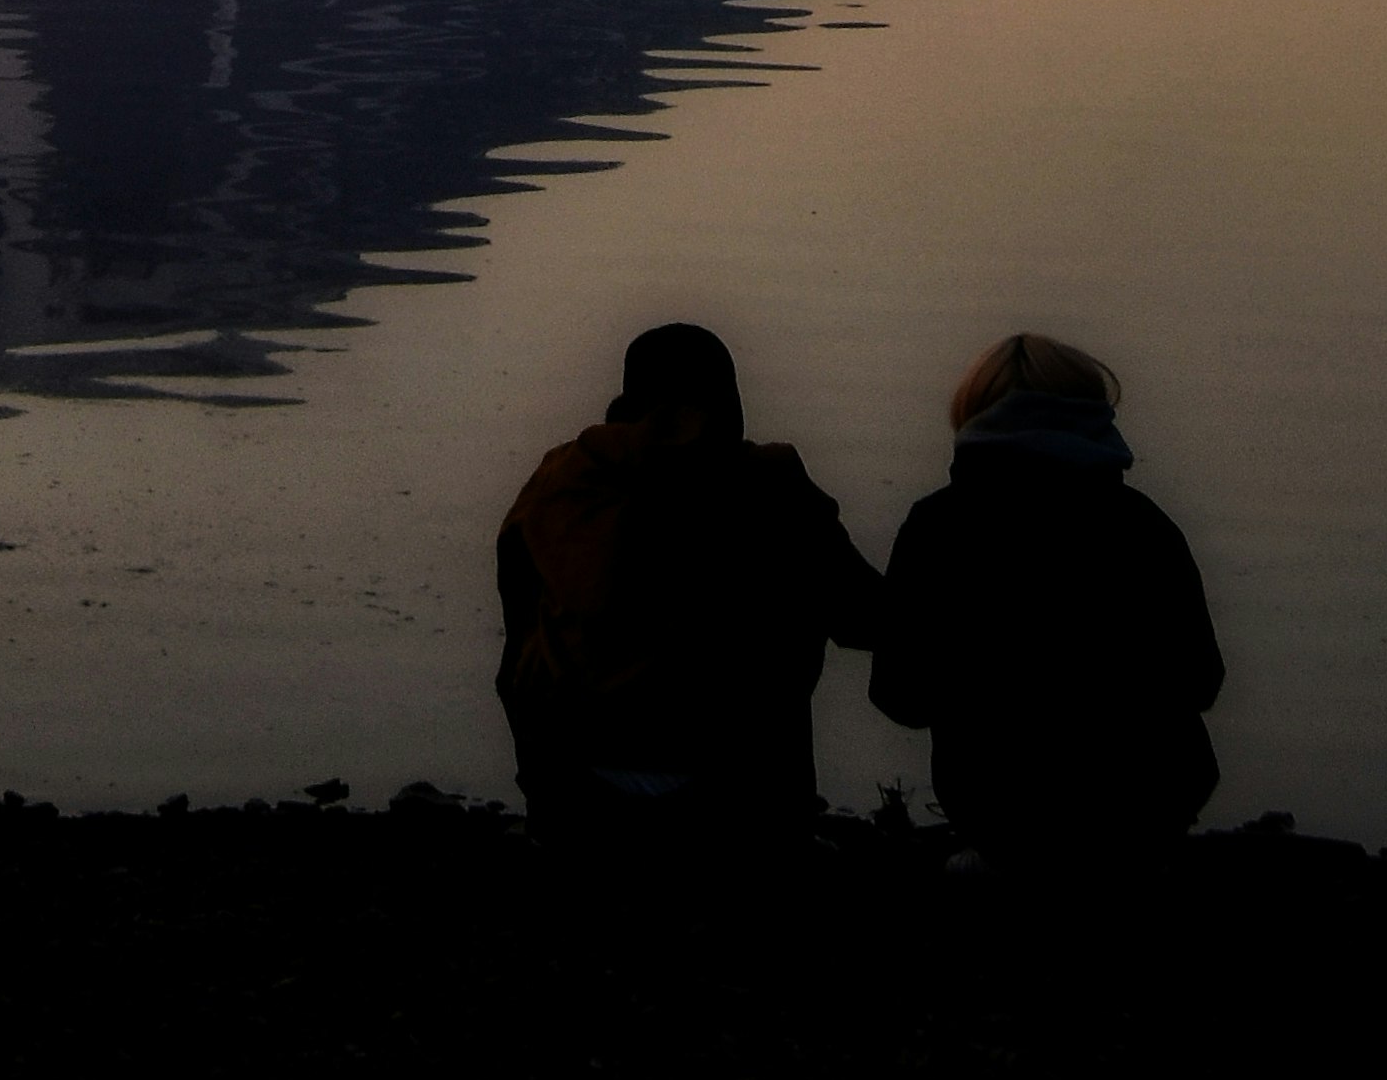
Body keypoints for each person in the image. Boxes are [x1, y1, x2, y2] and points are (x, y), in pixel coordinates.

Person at [495, 320, 887, 837]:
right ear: (728, 399)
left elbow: (515, 647)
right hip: (740, 794)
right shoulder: (774, 485)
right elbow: (866, 619)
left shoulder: (561, 483)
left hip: (572, 788)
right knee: (795, 595)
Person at [873, 332, 1224, 869]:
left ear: (971, 419)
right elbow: (1203, 681)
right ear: (1095, 417)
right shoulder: (1143, 526)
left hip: (999, 809)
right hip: (1148, 806)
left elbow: (900, 696)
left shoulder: (936, 526)